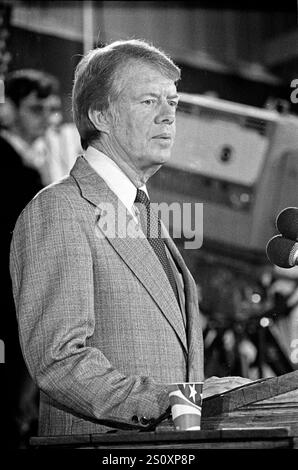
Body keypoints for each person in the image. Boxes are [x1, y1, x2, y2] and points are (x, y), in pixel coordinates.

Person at [9, 40, 250, 437]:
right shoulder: (60, 210)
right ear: (100, 115)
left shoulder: (142, 212)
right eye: (149, 101)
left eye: (173, 102)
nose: (168, 116)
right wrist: (178, 400)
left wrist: (195, 399)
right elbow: (59, 360)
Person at [1, 68, 60, 447]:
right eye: (35, 109)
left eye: (51, 110)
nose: (45, 119)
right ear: (9, 109)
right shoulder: (5, 161)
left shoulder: (37, 158)